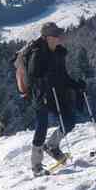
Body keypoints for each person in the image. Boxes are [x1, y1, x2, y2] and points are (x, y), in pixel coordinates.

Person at [25, 22, 86, 176]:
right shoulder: (37, 53)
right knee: (42, 126)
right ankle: (36, 165)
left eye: (59, 34)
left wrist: (75, 84)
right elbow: (33, 78)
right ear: (46, 37)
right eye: (56, 35)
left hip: (57, 93)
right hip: (41, 95)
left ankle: (52, 145)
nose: (59, 37)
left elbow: (63, 75)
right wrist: (43, 87)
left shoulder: (59, 52)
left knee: (69, 121)